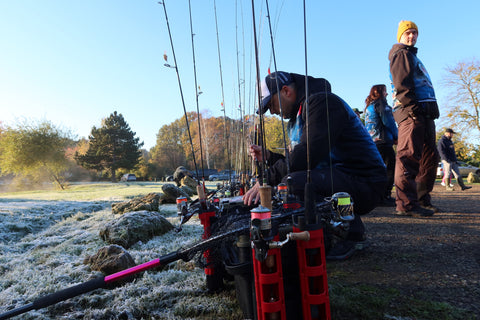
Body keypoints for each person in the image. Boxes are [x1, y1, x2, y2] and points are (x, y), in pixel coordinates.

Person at [243, 71, 387, 260]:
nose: (272, 111)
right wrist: (269, 157)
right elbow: (299, 160)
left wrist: (266, 180)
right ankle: (332, 229)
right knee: (294, 180)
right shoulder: (296, 119)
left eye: (271, 104)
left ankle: (351, 234)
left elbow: (308, 155)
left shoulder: (323, 103)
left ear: (286, 91)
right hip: (339, 177)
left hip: (366, 182)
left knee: (293, 183)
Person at [389, 20, 440, 217]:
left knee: (430, 156)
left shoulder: (412, 55)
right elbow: (401, 83)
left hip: (424, 113)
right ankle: (406, 204)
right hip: (412, 112)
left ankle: (421, 198)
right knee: (408, 156)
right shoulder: (401, 53)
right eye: (407, 33)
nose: (411, 36)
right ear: (400, 36)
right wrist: (412, 108)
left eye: (414, 33)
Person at [364, 84, 398, 206]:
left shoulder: (369, 107)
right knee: (389, 169)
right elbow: (388, 122)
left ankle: (375, 195)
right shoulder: (381, 105)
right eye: (385, 91)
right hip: (383, 141)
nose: (387, 94)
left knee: (376, 170)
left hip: (372, 142)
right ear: (379, 92)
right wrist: (396, 137)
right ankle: (384, 196)